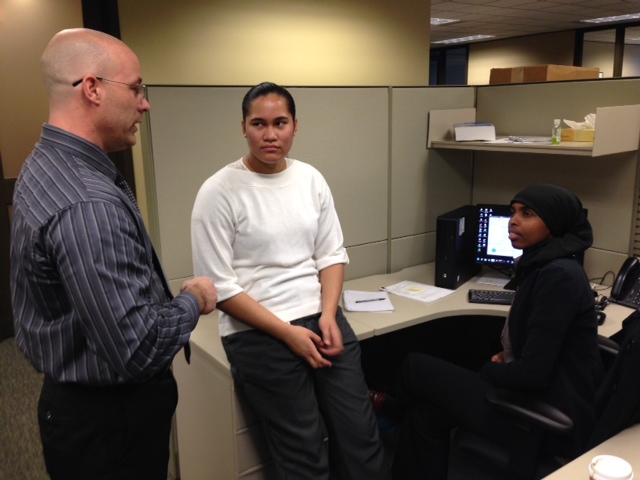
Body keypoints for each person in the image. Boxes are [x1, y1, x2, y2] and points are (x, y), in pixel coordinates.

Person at [10, 28, 217, 480]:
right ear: (92, 88)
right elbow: (139, 348)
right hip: (109, 426)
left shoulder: (46, 162)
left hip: (76, 408)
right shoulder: (87, 202)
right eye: (137, 87)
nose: (145, 103)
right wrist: (194, 299)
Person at [191, 82, 390, 479]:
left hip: (322, 318)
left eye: (280, 123)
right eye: (258, 123)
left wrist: (330, 315)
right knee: (304, 454)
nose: (270, 134)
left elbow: (331, 254)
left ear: (295, 126)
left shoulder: (310, 178)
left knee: (361, 438)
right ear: (244, 128)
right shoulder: (218, 191)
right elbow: (222, 287)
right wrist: (287, 332)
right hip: (258, 330)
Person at [391, 183, 602, 479]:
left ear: (553, 225)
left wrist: (488, 371)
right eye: (514, 211)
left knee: (416, 367)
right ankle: (400, 412)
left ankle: (390, 407)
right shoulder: (545, 265)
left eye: (527, 214)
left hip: (543, 417)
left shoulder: (558, 277)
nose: (513, 220)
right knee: (426, 415)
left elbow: (534, 373)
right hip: (538, 395)